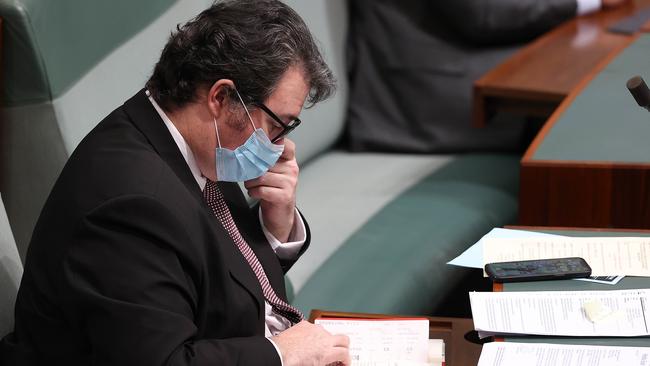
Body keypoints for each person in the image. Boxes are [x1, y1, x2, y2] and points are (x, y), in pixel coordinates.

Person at [0, 1, 350, 365]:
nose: (278, 145)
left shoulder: (193, 140)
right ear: (221, 97)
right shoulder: (130, 206)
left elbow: (221, 278)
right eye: (277, 124)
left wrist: (275, 223)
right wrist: (280, 355)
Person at [345, 0, 630, 153]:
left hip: (463, 58)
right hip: (417, 94)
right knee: (595, 99)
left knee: (603, 77)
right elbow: (484, 16)